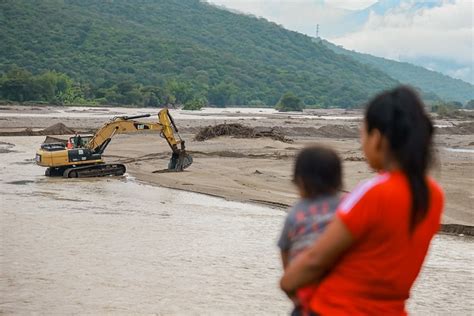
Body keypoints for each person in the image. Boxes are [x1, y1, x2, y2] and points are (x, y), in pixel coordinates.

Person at [280, 86, 444, 315]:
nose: (362, 142)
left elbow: (317, 259)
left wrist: (287, 282)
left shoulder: (373, 192)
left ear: (377, 138)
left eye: (363, 134)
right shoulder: (433, 195)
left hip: (337, 308)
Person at [278, 146, 343, 316]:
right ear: (338, 180)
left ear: (300, 181)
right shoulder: (346, 207)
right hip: (339, 292)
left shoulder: (296, 213)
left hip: (304, 289)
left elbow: (285, 251)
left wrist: (292, 291)